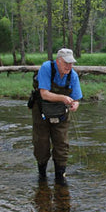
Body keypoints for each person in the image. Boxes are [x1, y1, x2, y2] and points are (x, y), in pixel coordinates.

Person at [31, 48, 82, 185]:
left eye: (71, 63)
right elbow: (44, 94)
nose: (69, 66)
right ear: (58, 61)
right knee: (41, 143)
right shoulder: (47, 67)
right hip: (41, 111)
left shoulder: (73, 75)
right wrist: (63, 98)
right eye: (66, 63)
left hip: (61, 114)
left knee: (62, 144)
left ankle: (60, 177)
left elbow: (76, 99)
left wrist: (75, 104)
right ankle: (42, 176)